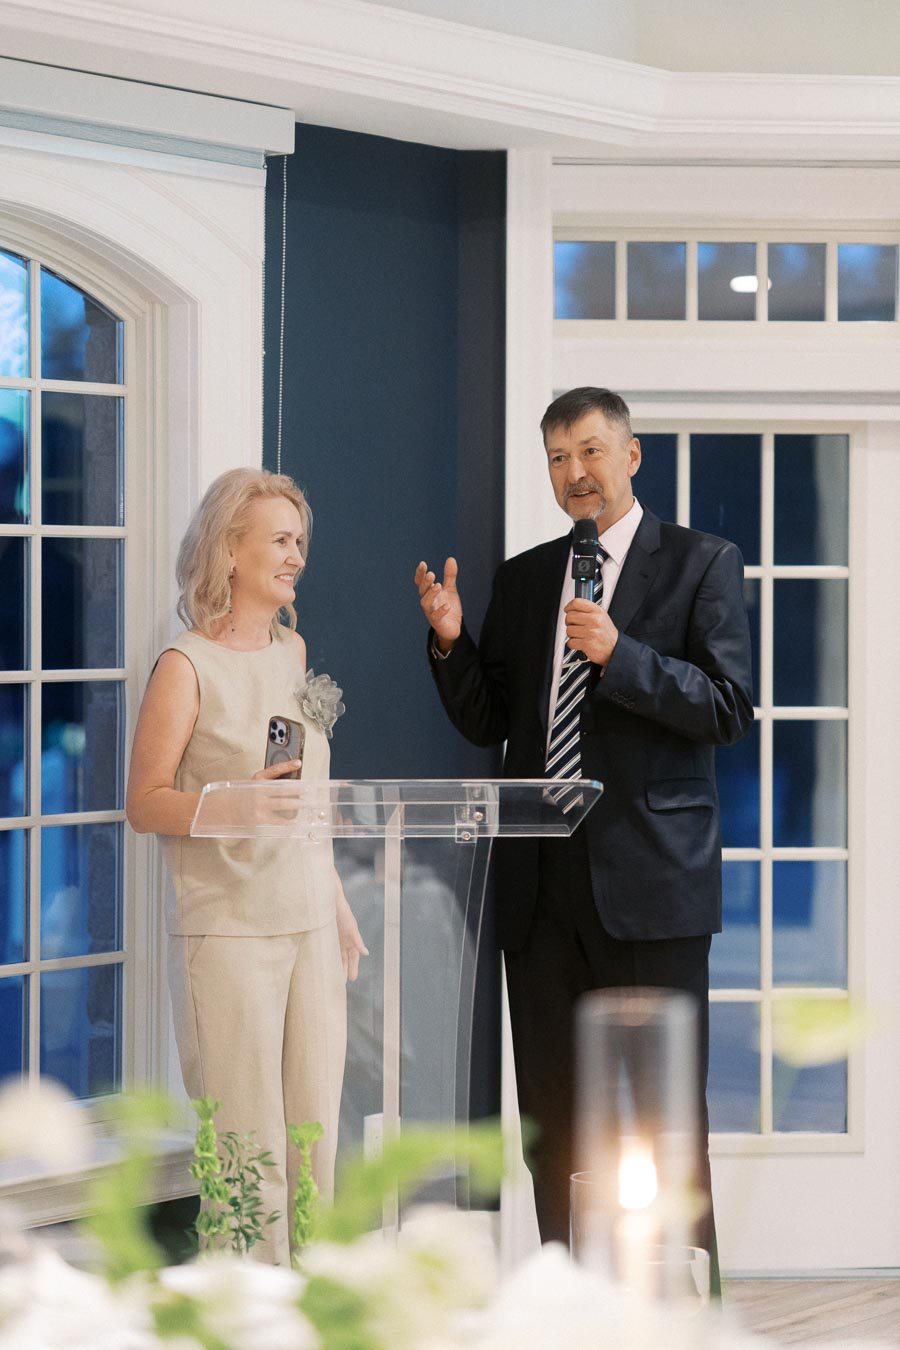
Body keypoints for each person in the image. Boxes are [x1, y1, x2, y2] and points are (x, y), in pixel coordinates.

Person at [415, 387, 753, 1288]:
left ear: (631, 456)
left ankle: (685, 1310)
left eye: (592, 453)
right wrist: (449, 643)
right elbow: (493, 720)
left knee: (667, 1121)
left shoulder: (701, 564)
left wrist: (622, 655)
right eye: (560, 459)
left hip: (654, 891)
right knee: (554, 1123)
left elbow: (729, 708)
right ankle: (569, 1302)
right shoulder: (524, 578)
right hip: (539, 894)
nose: (576, 475)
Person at [127, 467, 367, 1265]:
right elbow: (144, 801)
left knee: (314, 1139)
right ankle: (246, 1318)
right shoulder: (184, 665)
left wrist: (335, 904)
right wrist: (221, 806)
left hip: (306, 926)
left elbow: (303, 799)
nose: (295, 555)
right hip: (227, 933)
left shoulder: (294, 650)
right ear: (230, 549)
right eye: (278, 540)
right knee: (247, 1146)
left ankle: (310, 1308)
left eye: (299, 541)